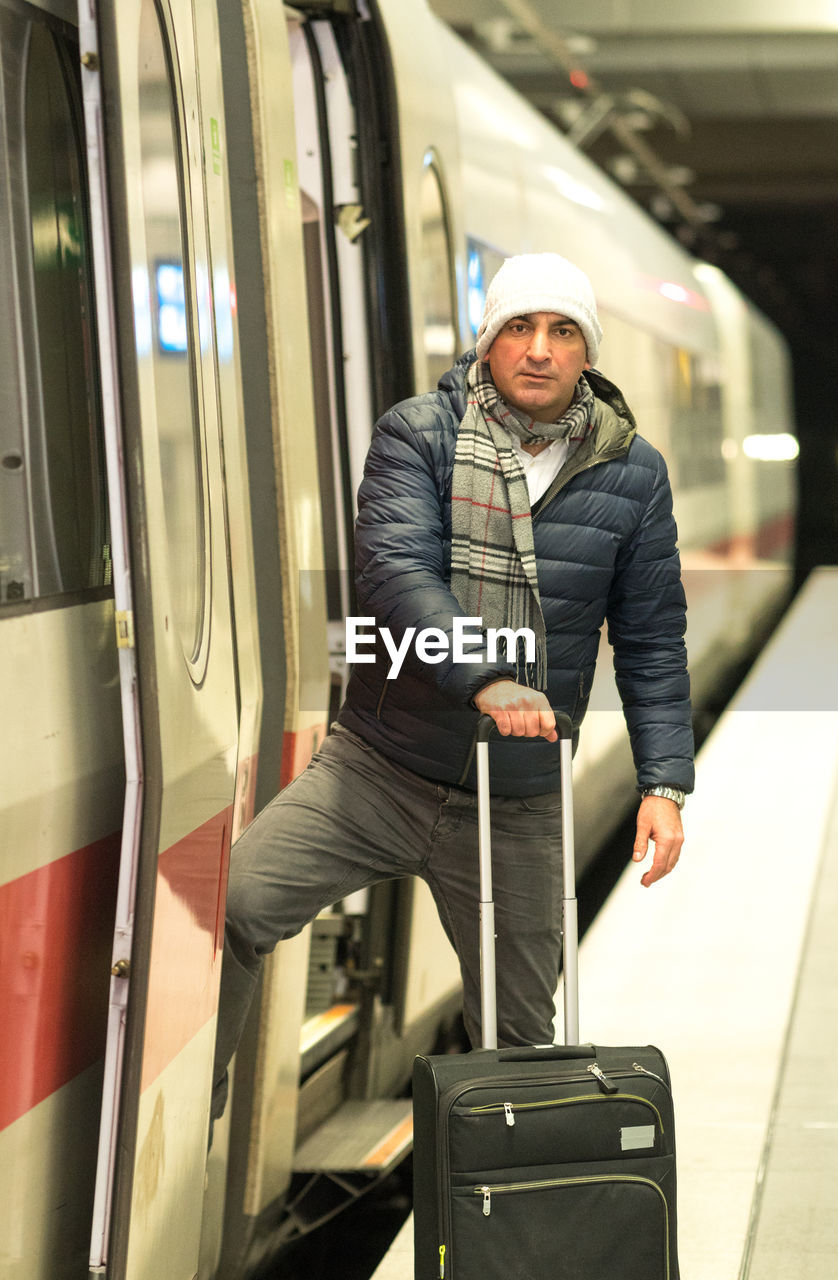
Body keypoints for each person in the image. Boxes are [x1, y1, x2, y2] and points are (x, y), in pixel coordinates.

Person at [210, 252, 692, 1122]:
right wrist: (486, 679)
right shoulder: (417, 433)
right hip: (377, 769)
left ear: (587, 354)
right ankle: (196, 1121)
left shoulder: (633, 472)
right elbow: (395, 571)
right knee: (237, 904)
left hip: (514, 799)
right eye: (518, 327)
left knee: (517, 1040)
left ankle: (505, 1223)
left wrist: (662, 783)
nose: (538, 349)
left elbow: (653, 639)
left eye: (561, 332)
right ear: (488, 343)